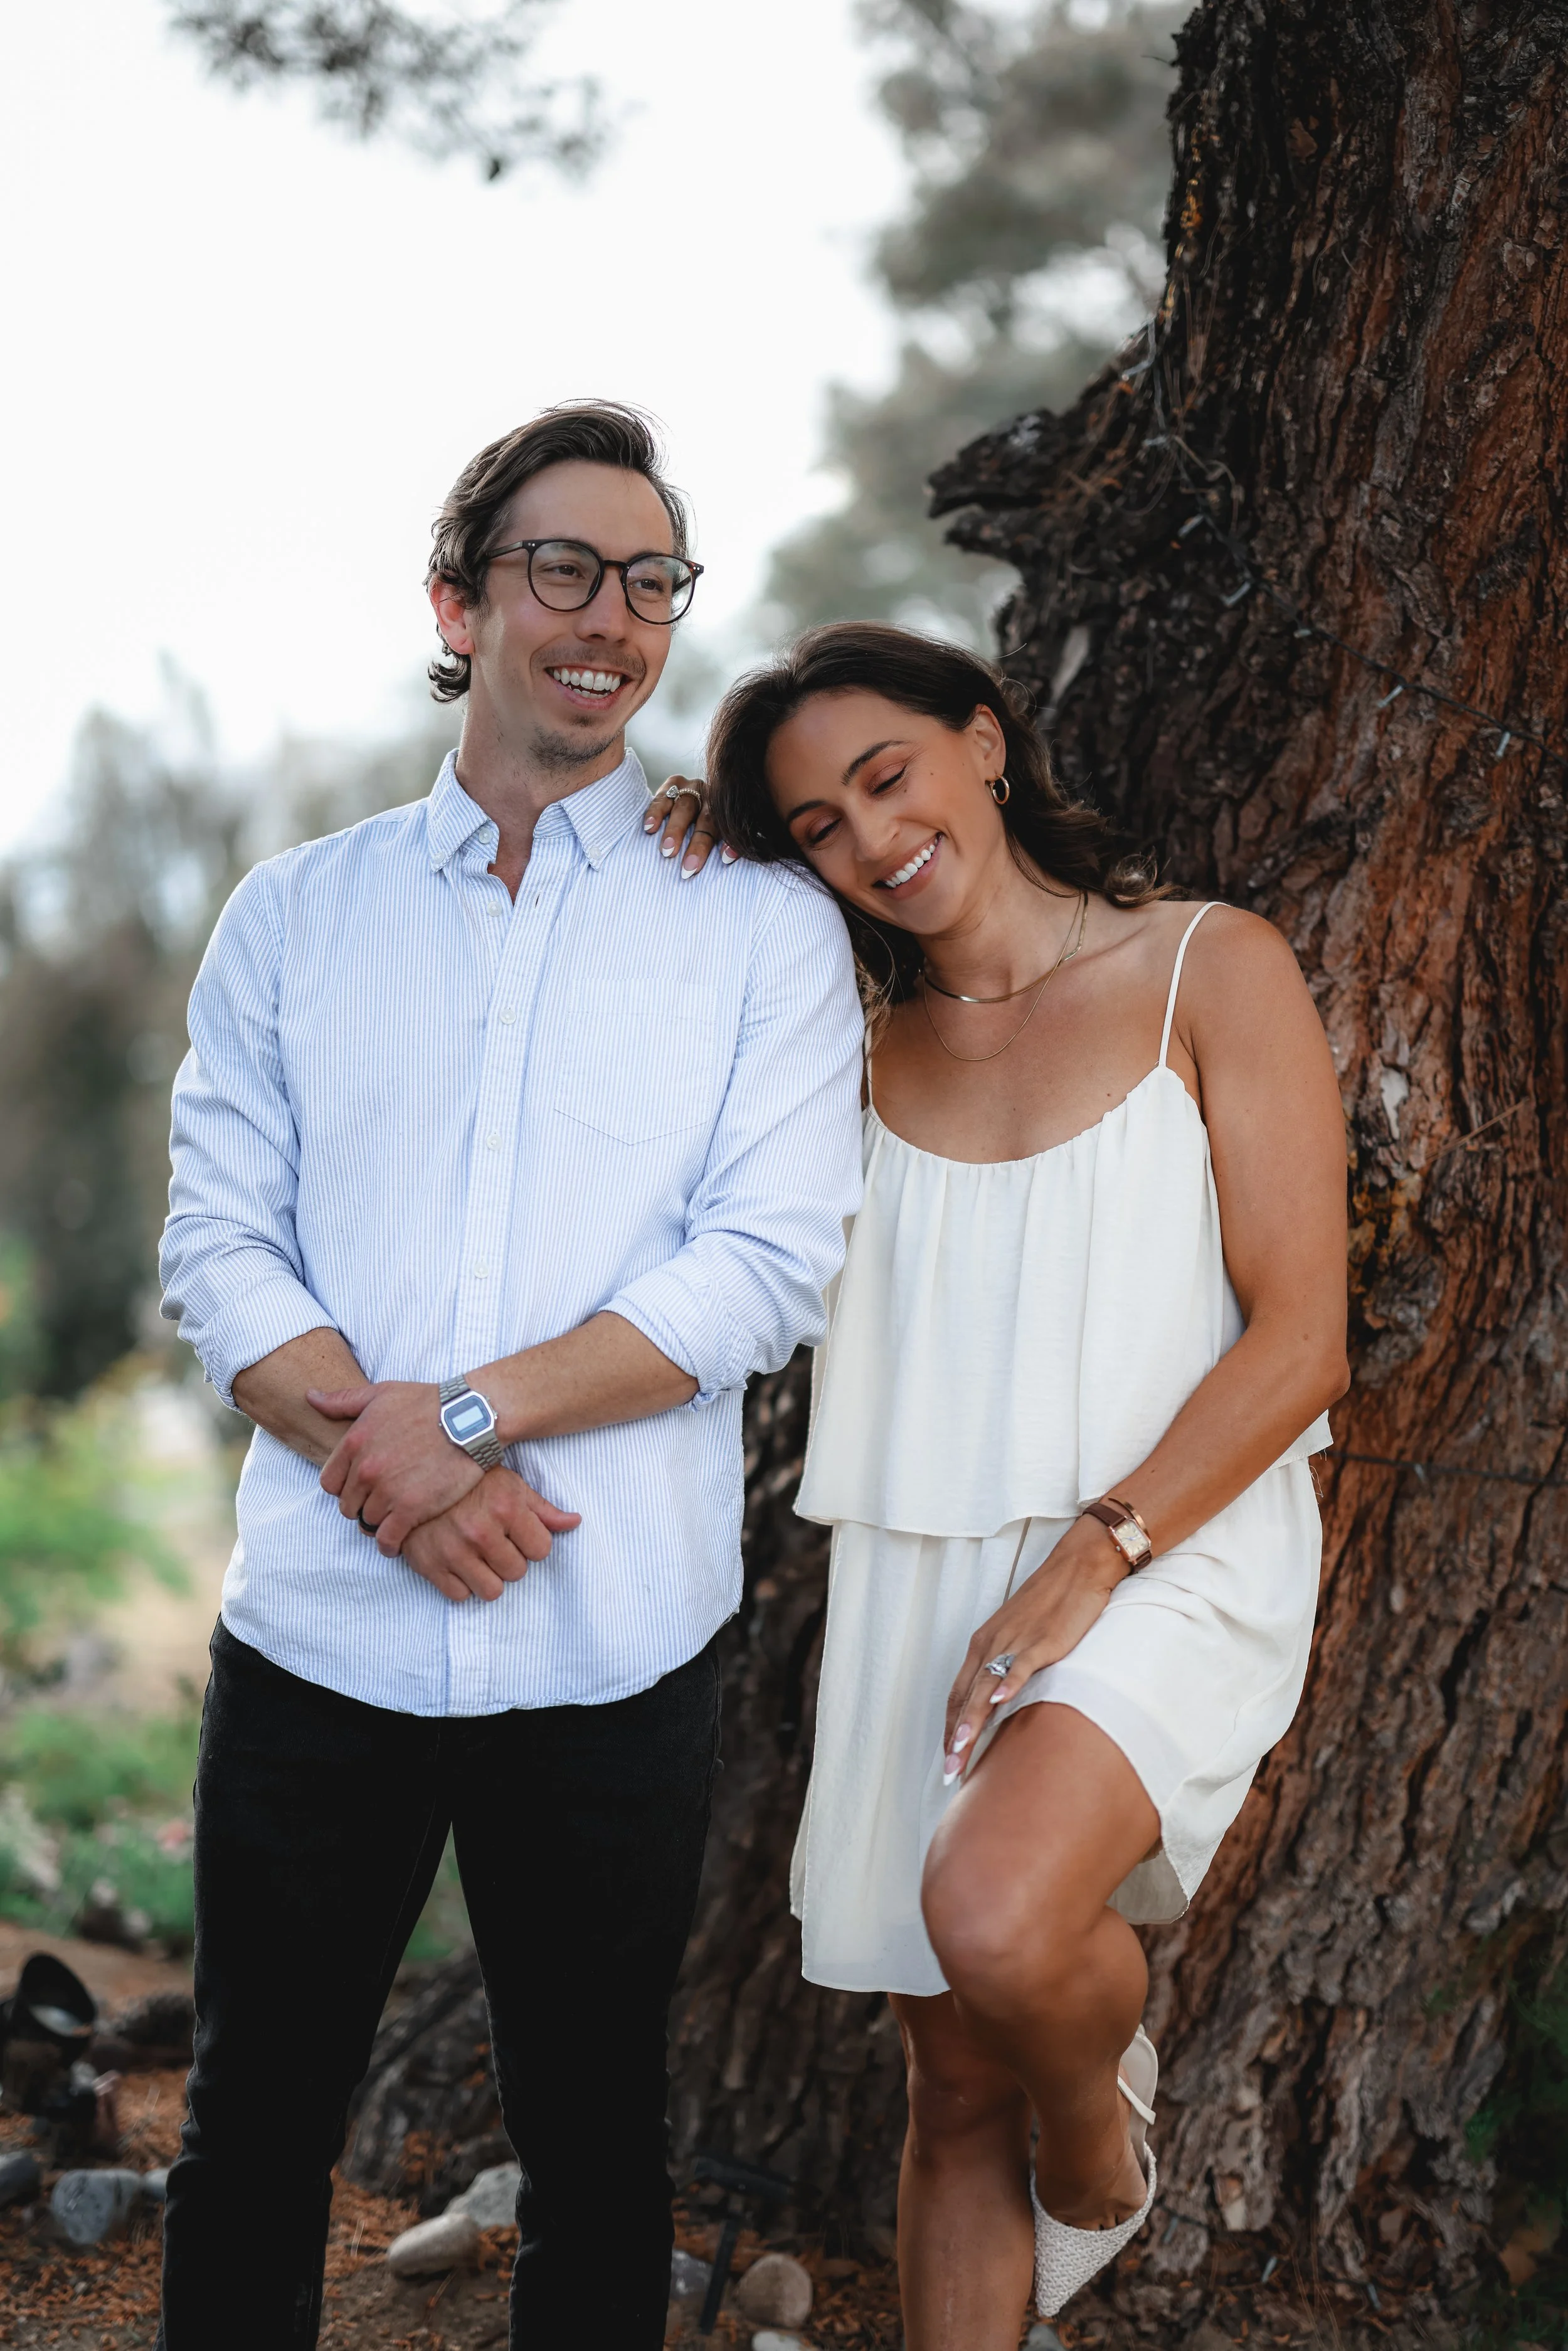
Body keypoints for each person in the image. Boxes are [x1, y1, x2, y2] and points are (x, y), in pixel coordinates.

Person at [156, 405, 864, 2350]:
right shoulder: (297, 914)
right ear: (459, 604)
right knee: (251, 2126)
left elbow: (762, 1266)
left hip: (609, 1633)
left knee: (596, 2144)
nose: (611, 617)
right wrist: (398, 1475)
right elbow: (220, 1241)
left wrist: (457, 1421)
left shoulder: (762, 927)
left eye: (650, 582)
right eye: (563, 568)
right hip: (318, 1637)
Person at [663, 620, 1348, 2349]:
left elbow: (1302, 1340)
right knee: (948, 2073)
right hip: (923, 1573)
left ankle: (1097, 2144)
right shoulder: (844, 1053)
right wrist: (645, 850)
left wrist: (1095, 1554)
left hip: (1168, 1544)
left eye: (883, 773)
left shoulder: (1209, 967)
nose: (871, 835)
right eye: (814, 823)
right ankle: (1038, 2150)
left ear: (982, 739)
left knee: (991, 1905)